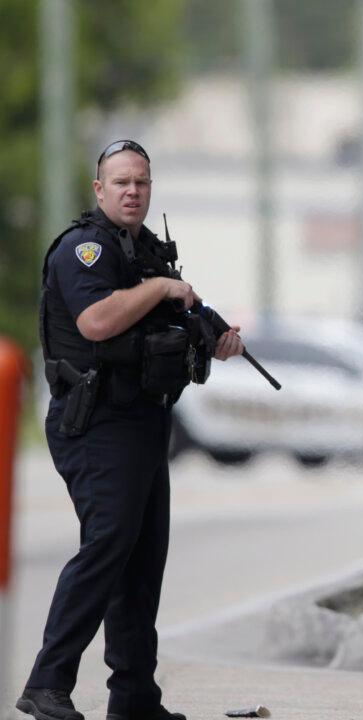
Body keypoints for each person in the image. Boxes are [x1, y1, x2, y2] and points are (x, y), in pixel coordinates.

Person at [17, 140, 244, 720]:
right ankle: (47, 684)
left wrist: (214, 335)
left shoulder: (145, 252)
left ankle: (134, 699)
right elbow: (97, 322)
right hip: (94, 422)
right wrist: (163, 289)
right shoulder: (84, 249)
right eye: (120, 182)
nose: (132, 191)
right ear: (99, 189)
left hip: (143, 420)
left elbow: (172, 321)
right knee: (108, 545)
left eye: (141, 182)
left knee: (143, 561)